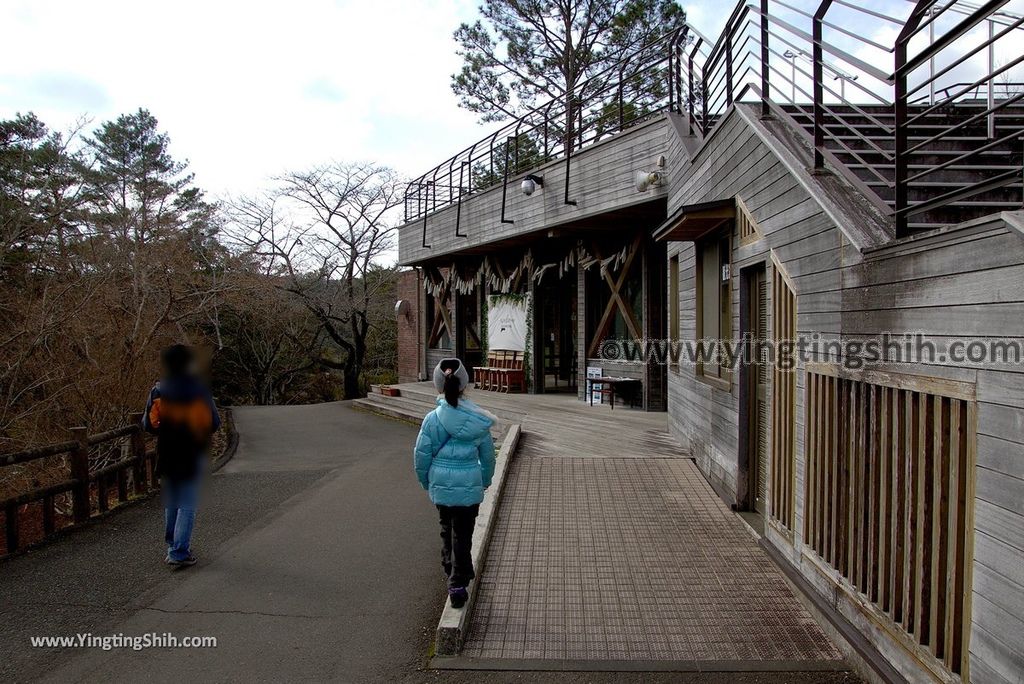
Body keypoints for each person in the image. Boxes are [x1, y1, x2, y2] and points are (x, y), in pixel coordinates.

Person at [414, 358, 497, 608]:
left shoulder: (432, 419)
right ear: (465, 385)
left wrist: (426, 482)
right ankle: (458, 580)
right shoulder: (478, 420)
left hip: (441, 483)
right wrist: (484, 480)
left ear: (439, 385)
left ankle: (453, 574)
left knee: (446, 529)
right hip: (469, 483)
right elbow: (488, 456)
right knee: (464, 533)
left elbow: (421, 455)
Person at [143, 344, 220, 568]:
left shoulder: (158, 390)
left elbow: (148, 424)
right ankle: (179, 551)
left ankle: (173, 545)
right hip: (192, 450)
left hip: (167, 450)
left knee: (173, 500)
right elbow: (213, 423)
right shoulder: (199, 390)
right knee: (187, 501)